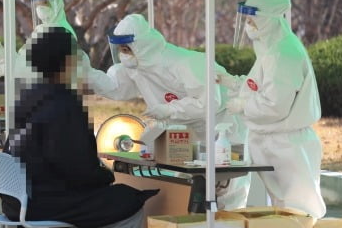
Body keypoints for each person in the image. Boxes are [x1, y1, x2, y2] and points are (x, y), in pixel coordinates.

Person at [4, 26, 159, 228]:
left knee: (98, 205)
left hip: (19, 199)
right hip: (46, 201)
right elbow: (78, 169)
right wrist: (106, 174)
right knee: (127, 206)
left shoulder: (27, 98)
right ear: (67, 62)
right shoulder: (65, 103)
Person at [83, 14, 250, 210]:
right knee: (186, 195)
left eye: (126, 49)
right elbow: (116, 87)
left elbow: (209, 102)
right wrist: (89, 74)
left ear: (142, 46)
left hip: (224, 130)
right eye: (120, 50)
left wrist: (169, 110)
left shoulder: (185, 63)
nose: (123, 55)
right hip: (189, 136)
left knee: (225, 199)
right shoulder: (138, 67)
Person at [219, 0, 326, 219]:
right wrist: (234, 83)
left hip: (287, 143)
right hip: (271, 140)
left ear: (268, 19)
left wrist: (243, 106)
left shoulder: (284, 53)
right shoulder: (271, 49)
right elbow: (259, 86)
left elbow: (275, 105)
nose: (248, 24)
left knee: (300, 211)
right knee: (283, 211)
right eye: (246, 19)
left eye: (252, 19)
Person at [0, 0, 78, 80]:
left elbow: (47, 68)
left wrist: (11, 68)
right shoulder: (41, 30)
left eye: (45, 3)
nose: (40, 8)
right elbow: (25, 60)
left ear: (57, 3)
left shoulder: (63, 32)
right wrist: (3, 55)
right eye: (38, 4)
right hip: (39, 92)